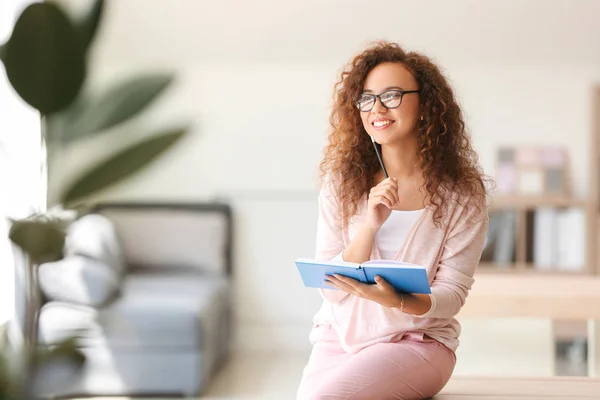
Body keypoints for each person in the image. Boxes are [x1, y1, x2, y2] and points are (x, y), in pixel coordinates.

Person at [296, 40, 490, 400]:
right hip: (339, 337)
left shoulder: (462, 196)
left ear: (426, 103)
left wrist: (398, 300)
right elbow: (328, 287)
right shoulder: (342, 183)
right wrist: (369, 225)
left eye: (392, 95)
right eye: (367, 98)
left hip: (417, 342)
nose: (377, 108)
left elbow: (452, 294)